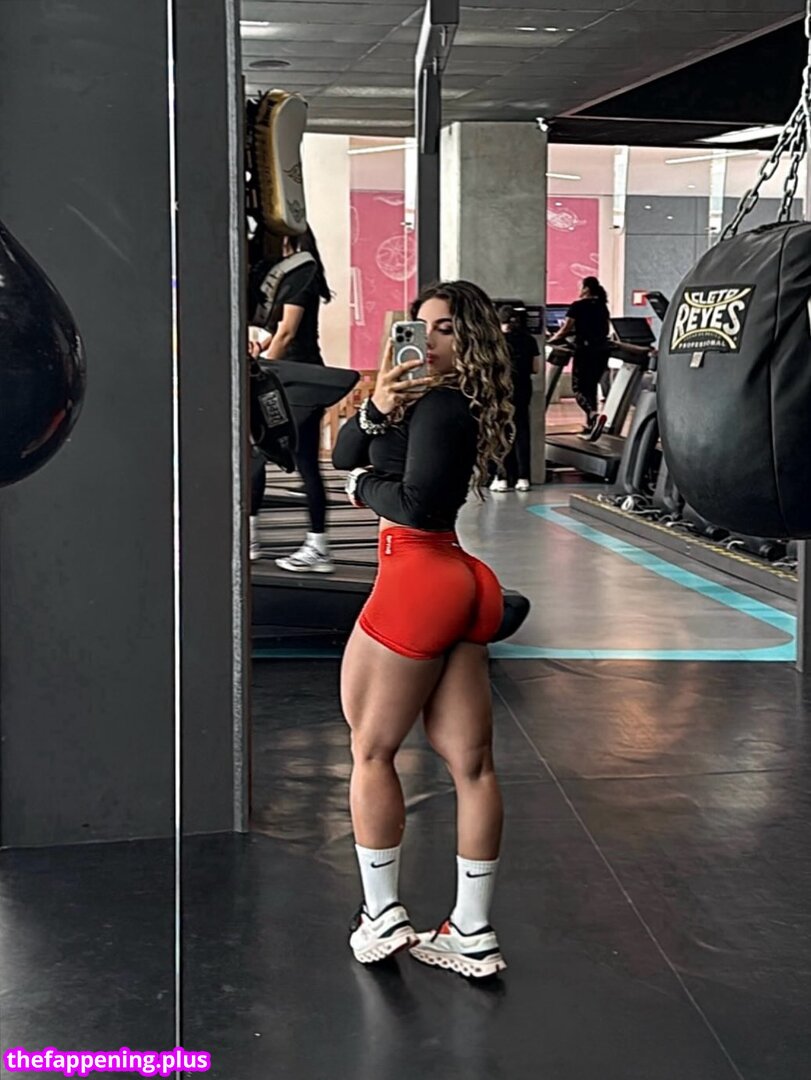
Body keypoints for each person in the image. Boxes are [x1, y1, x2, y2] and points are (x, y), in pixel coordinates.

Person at [332, 280, 516, 980]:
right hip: (452, 582)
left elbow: (417, 505)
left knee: (371, 750)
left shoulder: (443, 405)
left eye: (445, 329)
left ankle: (381, 914)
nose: (429, 340)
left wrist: (359, 490)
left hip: (419, 576)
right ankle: (471, 931)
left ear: (470, 341)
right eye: (422, 326)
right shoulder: (416, 398)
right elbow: (346, 449)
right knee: (471, 766)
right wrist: (378, 404)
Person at [249, 226, 333, 572]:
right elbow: (278, 334)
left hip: (297, 380)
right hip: (292, 376)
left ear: (288, 238)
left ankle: (315, 547)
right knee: (277, 457)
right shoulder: (294, 271)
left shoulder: (302, 270)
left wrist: (262, 368)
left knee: (266, 454)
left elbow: (287, 332)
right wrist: (262, 348)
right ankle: (313, 544)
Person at [546, 276, 611, 438]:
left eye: (580, 286)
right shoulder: (602, 306)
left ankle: (593, 415)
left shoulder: (578, 306)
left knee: (578, 388)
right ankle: (591, 424)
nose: (578, 289)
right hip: (602, 350)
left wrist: (551, 340)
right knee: (591, 387)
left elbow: (566, 329)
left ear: (586, 289)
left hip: (585, 351)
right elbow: (604, 328)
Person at [490, 304, 540, 492]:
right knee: (522, 431)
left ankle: (502, 477)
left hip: (501, 390)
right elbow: (535, 368)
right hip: (523, 388)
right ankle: (523, 478)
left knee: (501, 431)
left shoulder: (495, 341)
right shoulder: (530, 340)